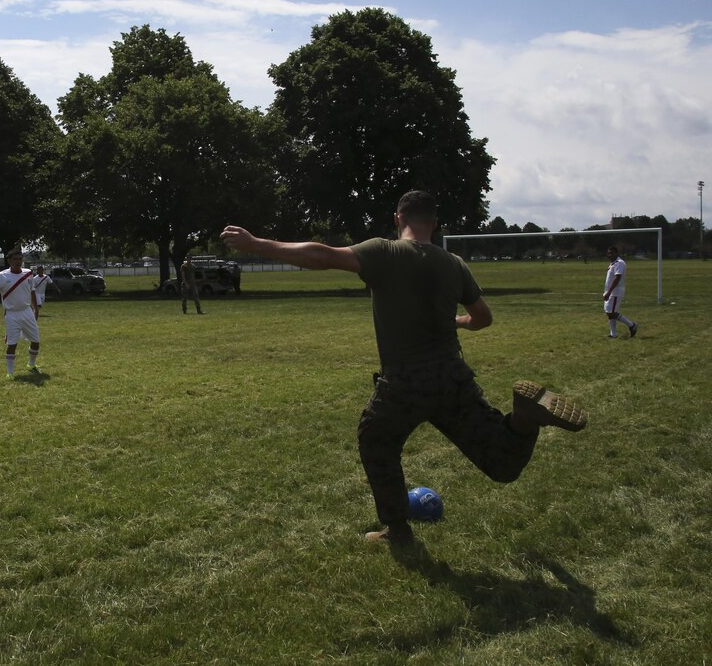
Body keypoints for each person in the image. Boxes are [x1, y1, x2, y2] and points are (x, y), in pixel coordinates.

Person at [221, 190, 589, 546]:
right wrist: (456, 322)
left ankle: (398, 531)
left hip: (406, 382)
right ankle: (525, 418)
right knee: (502, 464)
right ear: (435, 222)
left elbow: (322, 255)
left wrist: (258, 244)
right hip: (452, 376)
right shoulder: (454, 264)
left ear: (398, 218)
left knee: (376, 440)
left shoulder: (385, 252)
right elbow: (484, 318)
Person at [0, 250, 41, 379]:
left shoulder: (28, 273)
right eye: (15, 259)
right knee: (12, 344)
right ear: (9, 261)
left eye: (20, 259)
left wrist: (35, 308)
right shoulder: (1, 276)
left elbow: (32, 291)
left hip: (27, 311)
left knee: (36, 340)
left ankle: (31, 364)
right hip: (12, 314)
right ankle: (10, 372)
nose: (17, 261)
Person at [603, 246, 637, 339]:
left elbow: (617, 277)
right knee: (609, 312)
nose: (609, 255)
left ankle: (631, 325)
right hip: (610, 291)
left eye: (611, 253)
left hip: (615, 291)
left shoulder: (619, 263)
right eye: (608, 253)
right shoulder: (612, 263)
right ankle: (613, 334)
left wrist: (609, 292)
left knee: (611, 312)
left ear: (616, 253)